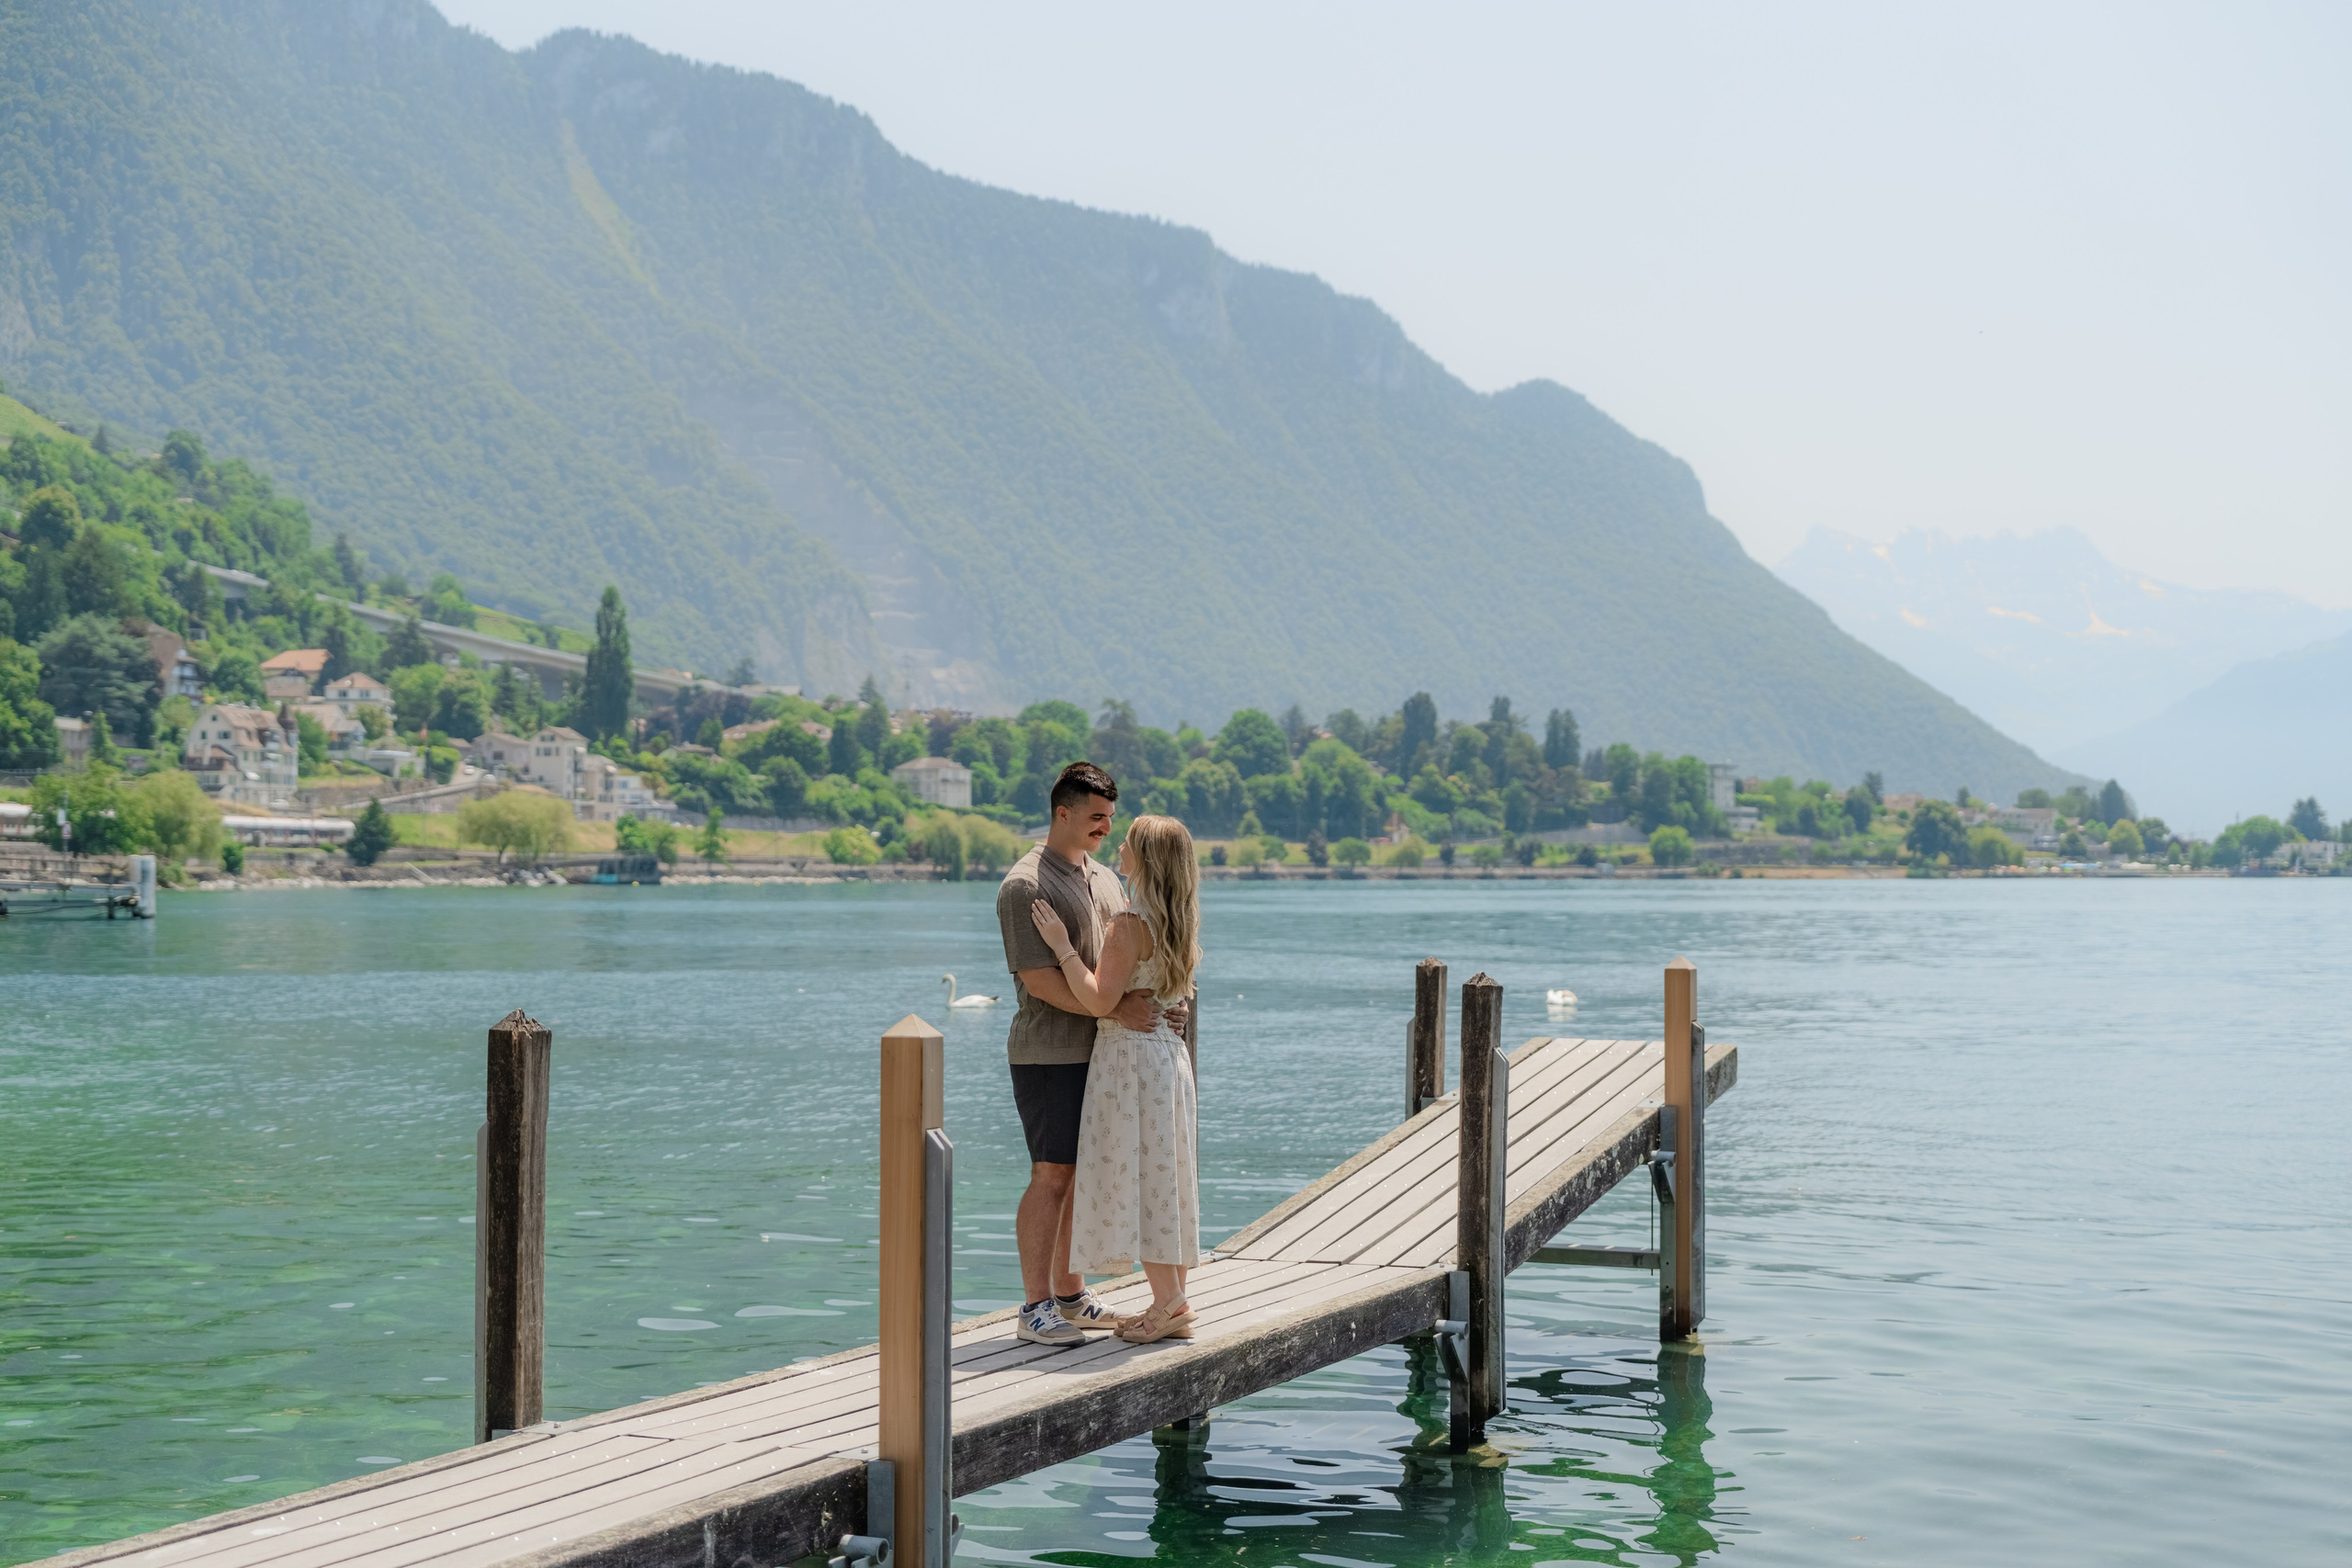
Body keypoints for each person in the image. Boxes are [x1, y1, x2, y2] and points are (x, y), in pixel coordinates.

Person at [995, 761, 1183, 1346]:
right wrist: (1115, 1008)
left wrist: (1156, 1004)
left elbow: (1125, 965)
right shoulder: (1025, 885)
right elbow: (1040, 980)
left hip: (1109, 1056)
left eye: (1110, 819)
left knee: (1083, 1176)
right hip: (1048, 1052)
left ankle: (1071, 1295)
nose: (1106, 827)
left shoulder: (1105, 878)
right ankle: (1034, 1308)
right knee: (1050, 1175)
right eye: (1096, 817)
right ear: (1063, 813)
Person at [1029, 813, 1203, 1344]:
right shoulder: (1178, 920)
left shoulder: (1130, 923)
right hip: (1167, 1062)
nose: (1118, 845)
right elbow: (1178, 995)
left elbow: (1101, 998)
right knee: (1163, 1176)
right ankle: (1171, 1301)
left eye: (1128, 840)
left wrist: (1061, 946)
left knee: (1140, 1178)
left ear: (1145, 859)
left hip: (1129, 1065)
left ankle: (1168, 1302)